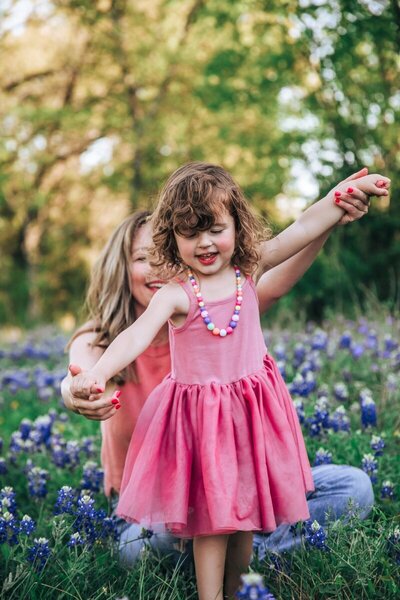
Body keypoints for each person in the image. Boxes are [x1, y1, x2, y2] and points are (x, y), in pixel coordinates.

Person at [64, 164, 389, 600]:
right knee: (212, 520)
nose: (204, 243)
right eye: (189, 233)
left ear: (237, 225)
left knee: (251, 513)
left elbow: (303, 227)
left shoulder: (248, 273)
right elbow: (134, 335)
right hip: (206, 430)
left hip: (251, 422)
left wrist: (340, 195)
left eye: (215, 229)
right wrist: (98, 373)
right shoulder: (176, 294)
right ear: (172, 239)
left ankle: (242, 586)